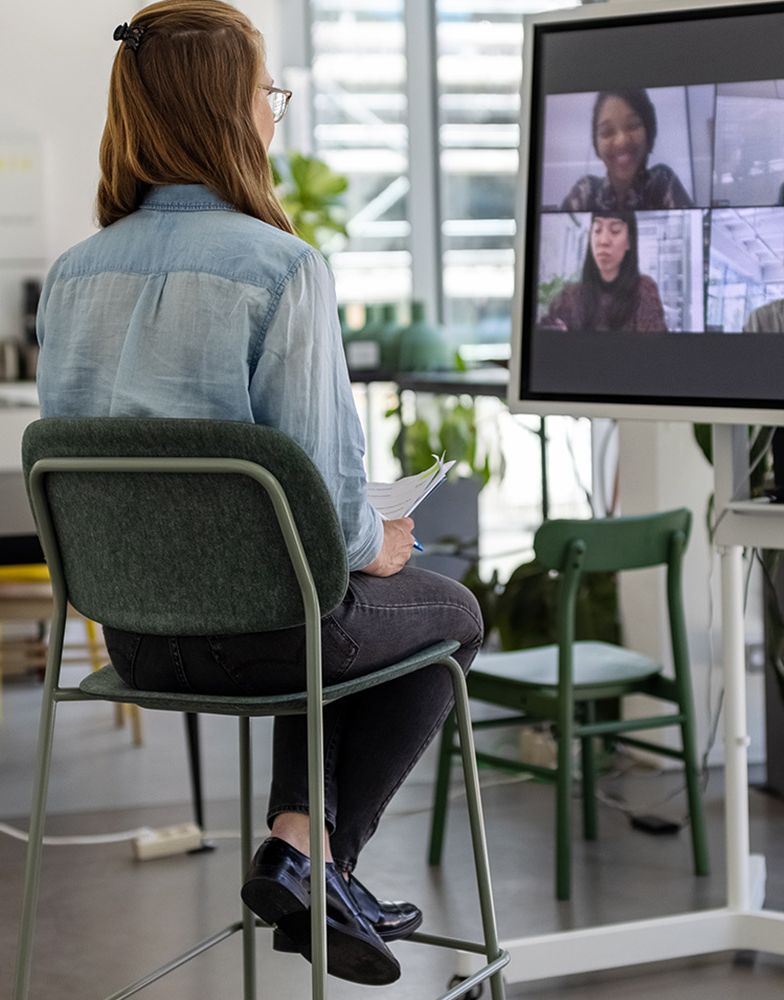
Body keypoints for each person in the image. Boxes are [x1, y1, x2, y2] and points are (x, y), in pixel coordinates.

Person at [36, 0, 482, 986]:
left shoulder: (69, 278)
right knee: (442, 610)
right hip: (268, 639)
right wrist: (380, 542)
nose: (274, 115)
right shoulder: (283, 267)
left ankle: (300, 847)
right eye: (266, 94)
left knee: (302, 598)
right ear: (228, 111)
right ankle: (318, 859)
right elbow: (321, 490)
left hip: (130, 636)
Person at [557, 88, 695, 212]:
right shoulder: (585, 192)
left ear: (649, 133)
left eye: (632, 125)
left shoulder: (662, 182)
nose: (621, 141)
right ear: (596, 145)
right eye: (607, 132)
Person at [538, 211, 666, 332]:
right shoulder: (569, 296)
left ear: (629, 241)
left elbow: (655, 349)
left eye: (615, 231)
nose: (603, 241)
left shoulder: (644, 291)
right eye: (597, 230)